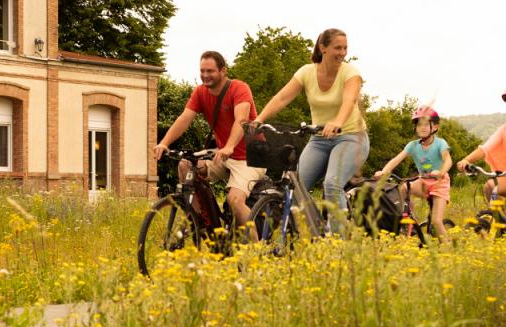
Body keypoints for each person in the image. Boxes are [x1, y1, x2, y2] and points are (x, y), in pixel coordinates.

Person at [254, 28, 368, 233]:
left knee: (332, 184)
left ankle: (338, 243)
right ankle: (312, 230)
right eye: (337, 48)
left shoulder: (351, 72)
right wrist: (260, 118)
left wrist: (337, 122)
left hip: (351, 137)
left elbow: (349, 100)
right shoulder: (306, 72)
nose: (342, 53)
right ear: (323, 48)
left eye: (345, 48)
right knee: (295, 187)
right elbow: (282, 98)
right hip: (320, 139)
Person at [154, 51, 265, 227]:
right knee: (185, 165)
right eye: (202, 71)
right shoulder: (200, 93)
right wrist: (164, 142)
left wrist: (229, 146)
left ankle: (257, 249)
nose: (205, 75)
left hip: (250, 158)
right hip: (222, 156)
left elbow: (241, 120)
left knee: (235, 201)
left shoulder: (239, 88)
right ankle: (202, 223)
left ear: (223, 71)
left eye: (210, 71)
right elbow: (184, 119)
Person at [375, 106, 452, 239]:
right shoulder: (413, 145)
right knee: (404, 188)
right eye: (419, 125)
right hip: (422, 182)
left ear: (434, 127)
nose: (422, 128)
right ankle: (409, 219)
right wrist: (384, 172)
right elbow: (396, 160)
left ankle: (449, 248)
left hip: (440, 183)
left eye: (426, 124)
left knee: (436, 221)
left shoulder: (440, 143)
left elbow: (448, 160)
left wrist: (440, 172)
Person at [457, 90, 506, 201]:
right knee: (490, 187)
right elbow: (485, 149)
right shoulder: (504, 130)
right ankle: (498, 216)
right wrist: (466, 160)